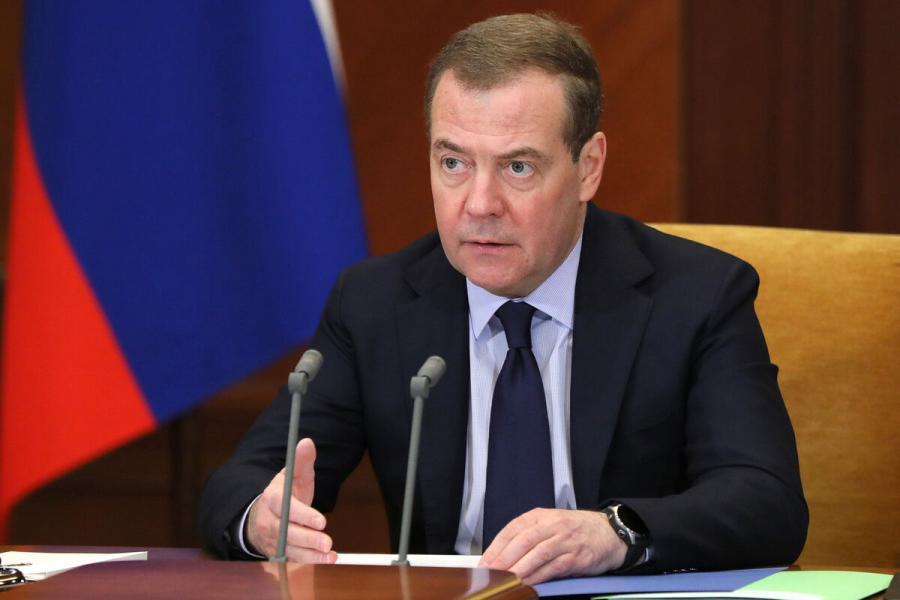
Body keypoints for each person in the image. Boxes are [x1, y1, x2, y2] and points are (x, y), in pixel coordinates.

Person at [198, 13, 807, 584]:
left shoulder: (696, 296)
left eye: (518, 168)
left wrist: (615, 532)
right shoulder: (375, 304)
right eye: (454, 163)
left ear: (588, 168)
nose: (480, 204)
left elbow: (766, 501)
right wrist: (261, 517)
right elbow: (243, 481)